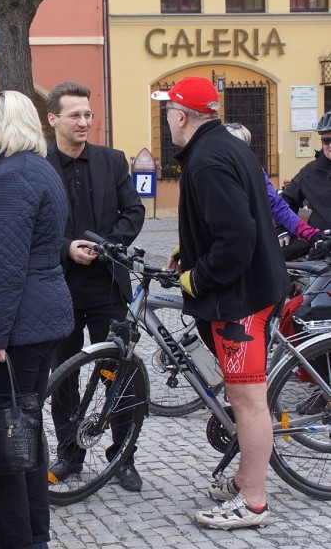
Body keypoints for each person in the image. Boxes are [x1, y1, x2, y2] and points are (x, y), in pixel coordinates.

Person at [153, 76, 289, 529]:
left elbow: (237, 238)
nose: (166, 119)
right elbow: (232, 222)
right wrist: (188, 251)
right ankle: (244, 480)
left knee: (248, 401)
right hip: (249, 290)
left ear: (182, 116)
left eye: (168, 111)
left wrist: (197, 277)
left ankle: (253, 502)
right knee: (245, 397)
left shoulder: (207, 160)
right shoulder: (226, 147)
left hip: (241, 299)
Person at [0, 90, 74, 549]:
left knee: (0, 438)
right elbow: (16, 255)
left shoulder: (10, 177)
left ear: (1, 128)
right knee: (23, 428)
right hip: (36, 314)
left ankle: (18, 541)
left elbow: (10, 263)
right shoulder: (34, 167)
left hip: (21, 323)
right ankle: (34, 537)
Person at [44, 81, 146, 492]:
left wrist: (107, 247)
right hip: (59, 285)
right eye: (75, 115)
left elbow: (134, 212)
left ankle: (122, 455)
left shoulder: (112, 160)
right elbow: (35, 226)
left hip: (107, 285)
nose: (84, 121)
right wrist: (67, 247)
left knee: (117, 373)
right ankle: (70, 453)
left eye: (88, 114)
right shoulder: (39, 165)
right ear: (53, 119)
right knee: (63, 375)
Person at [223, 122, 321, 251]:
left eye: (245, 147)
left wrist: (310, 234)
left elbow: (276, 205)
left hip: (246, 241)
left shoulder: (254, 170)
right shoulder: (213, 171)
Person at [280, 110, 331, 259]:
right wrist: (284, 230)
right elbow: (285, 202)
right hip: (320, 247)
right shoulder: (311, 171)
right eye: (326, 140)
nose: (330, 145)